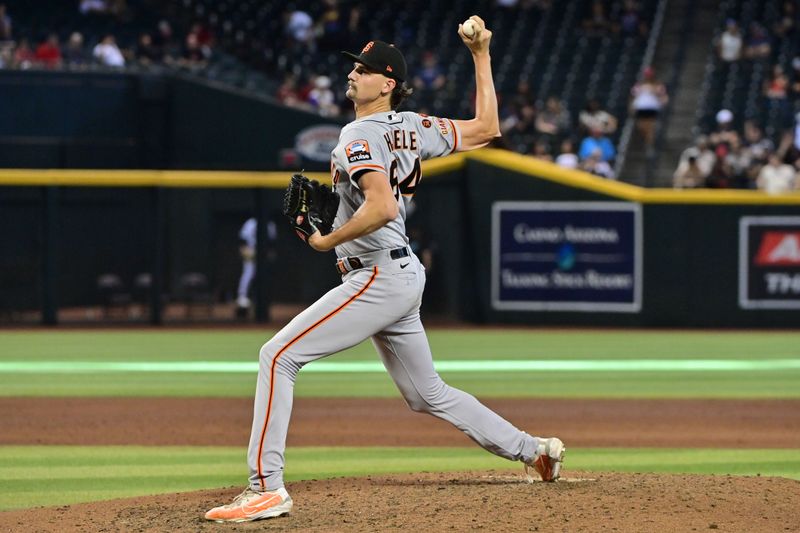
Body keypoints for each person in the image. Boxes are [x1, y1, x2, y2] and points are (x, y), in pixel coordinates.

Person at [204, 16, 565, 523]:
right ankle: (535, 450)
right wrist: (481, 54)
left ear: (387, 83)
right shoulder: (415, 126)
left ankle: (266, 487)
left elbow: (383, 208)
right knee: (427, 393)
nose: (353, 74)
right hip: (400, 272)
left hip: (376, 273)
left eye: (365, 69)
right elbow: (487, 128)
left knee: (277, 355)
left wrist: (327, 239)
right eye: (355, 67)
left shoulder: (356, 134)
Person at [236, 217, 277, 318]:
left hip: (263, 254)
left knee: (263, 278)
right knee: (248, 275)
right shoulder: (250, 223)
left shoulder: (270, 225)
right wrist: (244, 251)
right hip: (251, 252)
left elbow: (272, 242)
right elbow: (243, 240)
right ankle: (242, 297)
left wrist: (269, 254)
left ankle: (262, 299)